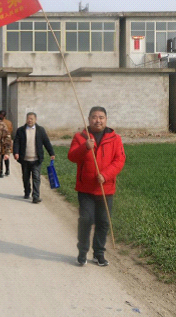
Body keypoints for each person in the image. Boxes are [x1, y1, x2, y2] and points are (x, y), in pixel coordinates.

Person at [68, 106, 125, 267]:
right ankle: (82, 251)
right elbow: (71, 157)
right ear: (88, 119)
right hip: (85, 189)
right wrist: (85, 147)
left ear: (106, 119)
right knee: (85, 219)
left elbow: (119, 160)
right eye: (94, 117)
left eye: (101, 117)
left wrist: (105, 175)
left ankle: (98, 253)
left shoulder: (115, 138)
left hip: (106, 189)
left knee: (103, 222)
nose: (97, 120)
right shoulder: (80, 137)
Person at [13, 112, 55, 203]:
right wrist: (16, 152)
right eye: (28, 118)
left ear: (35, 119)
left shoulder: (40, 130)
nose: (29, 120)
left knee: (36, 177)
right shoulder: (21, 130)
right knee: (26, 177)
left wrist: (51, 153)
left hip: (36, 159)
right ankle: (27, 191)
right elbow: (16, 142)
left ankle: (36, 196)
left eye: (31, 118)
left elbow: (46, 142)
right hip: (25, 159)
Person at [0, 110, 13, 178]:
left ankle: (2, 171)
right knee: (5, 157)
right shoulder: (9, 122)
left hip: (1, 142)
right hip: (6, 141)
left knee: (2, 157)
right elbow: (11, 131)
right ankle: (6, 170)